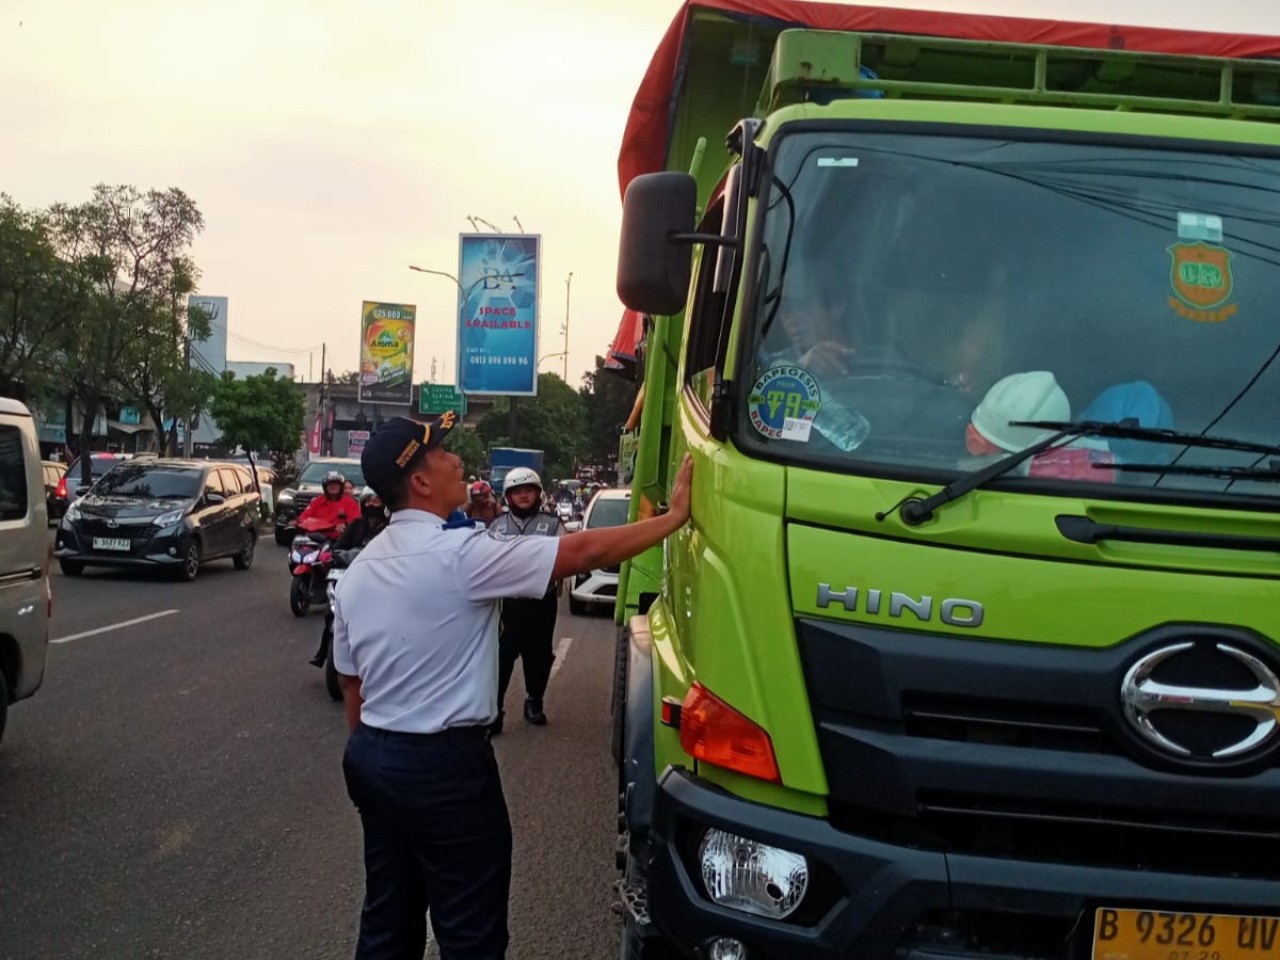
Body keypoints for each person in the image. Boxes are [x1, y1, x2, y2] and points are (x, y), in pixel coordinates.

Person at [332, 413, 694, 960]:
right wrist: (673, 520)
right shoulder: (462, 555)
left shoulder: (361, 569)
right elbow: (585, 552)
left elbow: (352, 684)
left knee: (387, 919)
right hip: (445, 772)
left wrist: (377, 758)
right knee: (470, 932)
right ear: (421, 482)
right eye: (444, 455)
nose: (458, 461)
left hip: (375, 757)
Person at [487, 468, 562, 734]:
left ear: (538, 494)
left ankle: (534, 701)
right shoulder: (497, 525)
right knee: (500, 656)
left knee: (539, 655)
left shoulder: (552, 524)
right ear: (508, 496)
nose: (523, 495)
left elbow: (564, 557)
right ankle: (494, 710)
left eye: (528, 490)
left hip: (541, 602)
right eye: (517, 492)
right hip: (507, 605)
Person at [309, 487, 388, 668]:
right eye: (367, 501)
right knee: (332, 611)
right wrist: (333, 556)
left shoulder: (389, 527)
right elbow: (338, 546)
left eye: (375, 501)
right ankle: (323, 652)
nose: (371, 504)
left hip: (377, 578)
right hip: (349, 573)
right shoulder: (357, 525)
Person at [295, 470, 360, 538]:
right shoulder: (318, 501)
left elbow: (356, 521)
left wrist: (345, 524)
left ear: (341, 487)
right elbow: (304, 517)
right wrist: (297, 521)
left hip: (339, 540)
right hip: (317, 537)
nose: (333, 486)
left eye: (336, 484)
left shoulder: (350, 502)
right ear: (325, 487)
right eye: (330, 484)